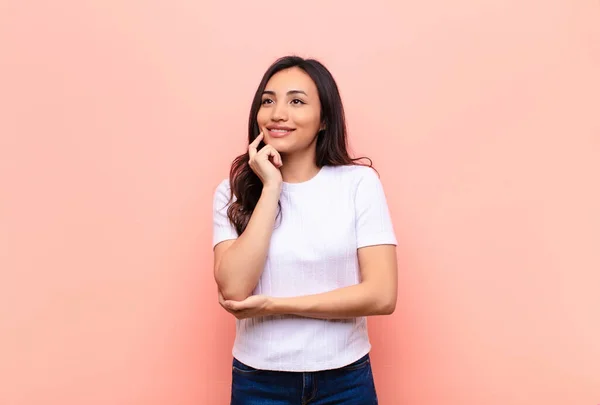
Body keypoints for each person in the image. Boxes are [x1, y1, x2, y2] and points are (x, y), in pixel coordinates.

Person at [212, 55, 398, 405]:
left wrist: (274, 305)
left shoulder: (358, 184)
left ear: (324, 119)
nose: (277, 113)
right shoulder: (233, 191)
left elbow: (382, 295)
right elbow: (234, 288)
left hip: (345, 378)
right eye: (268, 101)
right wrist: (270, 188)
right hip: (259, 382)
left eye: (296, 101)